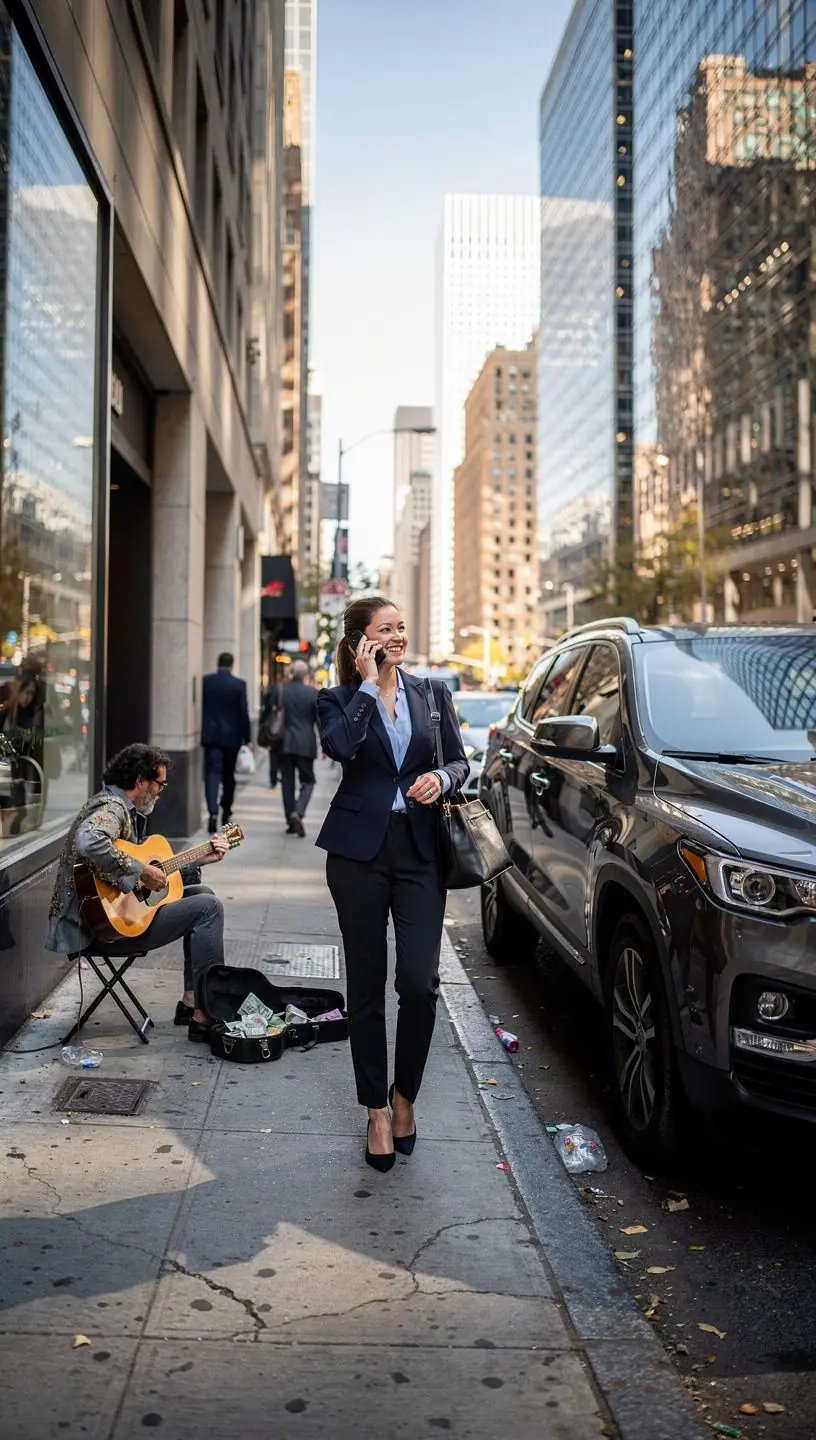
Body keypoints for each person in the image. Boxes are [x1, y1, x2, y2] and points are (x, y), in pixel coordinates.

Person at [316, 596, 469, 1172]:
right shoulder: (337, 699)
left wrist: (441, 777)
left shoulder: (433, 694)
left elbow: (461, 762)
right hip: (357, 855)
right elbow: (340, 748)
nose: (398, 636)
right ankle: (377, 1111)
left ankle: (405, 1097)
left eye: (402, 626)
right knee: (365, 986)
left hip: (420, 852)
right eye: (386, 629)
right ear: (362, 641)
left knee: (419, 984)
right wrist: (367, 686)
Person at [46, 743, 228, 1041]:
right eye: (160, 784)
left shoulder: (121, 809)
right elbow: (89, 841)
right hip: (98, 929)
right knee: (209, 907)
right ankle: (206, 1015)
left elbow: (140, 878)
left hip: (110, 918)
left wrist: (197, 861)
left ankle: (192, 1001)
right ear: (141, 781)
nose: (160, 791)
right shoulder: (111, 808)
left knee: (202, 893)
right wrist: (142, 870)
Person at [201, 652, 251, 834]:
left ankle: (213, 812)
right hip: (232, 737)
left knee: (212, 774)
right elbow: (243, 712)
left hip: (211, 736)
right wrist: (247, 737)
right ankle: (226, 810)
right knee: (229, 775)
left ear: (218, 663)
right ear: (232, 665)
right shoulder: (239, 684)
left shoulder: (207, 682)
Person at [280, 660, 320, 837]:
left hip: (284, 744)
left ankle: (290, 819)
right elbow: (320, 722)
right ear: (305, 675)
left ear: (292, 674)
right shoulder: (313, 693)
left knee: (287, 782)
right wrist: (326, 745)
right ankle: (298, 812)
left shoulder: (281, 691)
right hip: (306, 744)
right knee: (308, 781)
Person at [259, 677, 283, 789]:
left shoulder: (274, 691)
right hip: (286, 728)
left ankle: (273, 778)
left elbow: (267, 708)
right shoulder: (289, 692)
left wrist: (262, 721)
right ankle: (281, 775)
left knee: (273, 754)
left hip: (274, 727)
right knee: (282, 754)